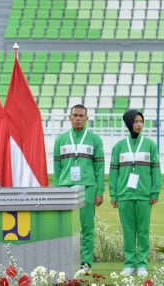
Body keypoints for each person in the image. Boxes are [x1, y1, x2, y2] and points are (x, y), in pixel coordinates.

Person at [109, 109, 163, 277]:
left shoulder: (150, 145)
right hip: (124, 195)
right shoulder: (119, 147)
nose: (139, 124)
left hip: (144, 195)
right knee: (128, 231)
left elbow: (156, 171)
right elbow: (113, 173)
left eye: (141, 121)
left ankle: (142, 265)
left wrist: (155, 192)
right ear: (128, 123)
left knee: (143, 231)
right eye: (136, 121)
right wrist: (114, 194)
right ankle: (129, 264)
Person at [53, 104, 105, 272]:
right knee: (64, 226)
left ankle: (86, 262)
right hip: (65, 187)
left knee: (87, 226)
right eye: (75, 115)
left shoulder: (95, 140)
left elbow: (99, 168)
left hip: (87, 187)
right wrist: (56, 189)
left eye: (81, 116)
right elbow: (57, 167)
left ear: (86, 118)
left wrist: (100, 191)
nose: (78, 118)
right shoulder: (60, 140)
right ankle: (65, 259)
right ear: (69, 117)